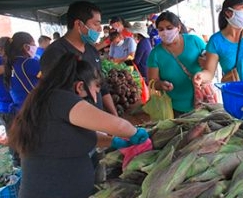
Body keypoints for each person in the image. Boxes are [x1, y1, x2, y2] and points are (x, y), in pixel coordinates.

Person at [7, 53, 149, 198]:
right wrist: (135, 132)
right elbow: (119, 125)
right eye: (96, 90)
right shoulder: (61, 99)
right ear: (80, 87)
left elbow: (79, 137)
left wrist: (114, 141)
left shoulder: (48, 101)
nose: (95, 97)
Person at [40, 1, 118, 116]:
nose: (100, 29)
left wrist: (114, 116)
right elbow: (58, 98)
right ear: (78, 24)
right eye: (96, 24)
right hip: (75, 126)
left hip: (98, 121)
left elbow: (103, 88)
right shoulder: (55, 53)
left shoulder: (91, 50)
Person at [147, 11, 206, 117]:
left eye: (169, 28)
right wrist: (160, 84)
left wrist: (205, 63)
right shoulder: (155, 54)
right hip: (174, 109)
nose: (165, 32)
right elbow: (152, 81)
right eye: (161, 29)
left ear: (178, 27)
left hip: (203, 102)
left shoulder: (195, 41)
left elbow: (210, 63)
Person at [3, 32, 40, 166]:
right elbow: (50, 77)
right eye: (33, 44)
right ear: (25, 47)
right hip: (33, 111)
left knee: (28, 150)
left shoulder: (11, 64)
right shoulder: (28, 63)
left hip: (20, 111)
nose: (35, 47)